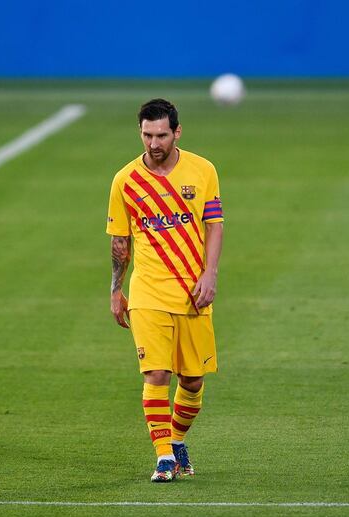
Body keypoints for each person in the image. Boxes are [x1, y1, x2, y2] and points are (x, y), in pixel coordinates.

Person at [106, 98, 224, 482]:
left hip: (193, 292)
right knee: (156, 373)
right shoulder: (125, 180)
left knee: (192, 382)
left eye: (160, 135)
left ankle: (175, 441)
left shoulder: (202, 170)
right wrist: (115, 290)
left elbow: (214, 226)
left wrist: (210, 274)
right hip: (148, 293)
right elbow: (120, 242)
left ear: (177, 132)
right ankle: (163, 459)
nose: (153, 143)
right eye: (146, 135)